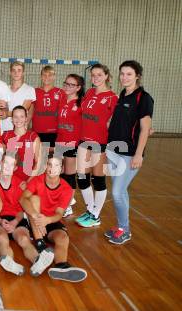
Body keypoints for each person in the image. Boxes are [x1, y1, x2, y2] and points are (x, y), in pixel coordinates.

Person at [105, 60, 153, 244]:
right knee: (121, 191)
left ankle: (125, 230)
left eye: (129, 74)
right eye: (122, 74)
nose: (124, 77)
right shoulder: (122, 96)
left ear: (137, 76)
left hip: (130, 153)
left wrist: (139, 154)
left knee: (117, 193)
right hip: (113, 150)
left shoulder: (144, 98)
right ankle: (120, 227)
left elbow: (145, 128)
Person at [20, 154, 87, 282]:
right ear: (45, 167)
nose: (52, 168)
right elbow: (22, 199)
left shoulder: (66, 188)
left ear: (61, 169)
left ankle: (61, 267)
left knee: (62, 237)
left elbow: (59, 214)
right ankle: (40, 245)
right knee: (33, 198)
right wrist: (36, 216)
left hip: (51, 220)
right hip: (34, 221)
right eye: (49, 164)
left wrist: (47, 220)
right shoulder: (37, 180)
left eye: (56, 165)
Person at [75, 64, 118, 228]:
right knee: (82, 177)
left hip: (100, 142)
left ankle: (95, 215)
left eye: (99, 75)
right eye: (93, 75)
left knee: (98, 179)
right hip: (83, 140)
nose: (95, 78)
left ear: (106, 76)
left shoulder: (112, 98)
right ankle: (91, 210)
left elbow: (118, 121)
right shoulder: (89, 93)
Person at [0, 152, 38, 276]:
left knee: (23, 239)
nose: (7, 166)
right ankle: (9, 262)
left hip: (16, 218)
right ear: (0, 163)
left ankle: (37, 261)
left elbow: (22, 210)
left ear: (15, 168)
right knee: (2, 238)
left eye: (11, 164)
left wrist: (15, 222)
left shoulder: (20, 184)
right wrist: (0, 220)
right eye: (5, 162)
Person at [55, 74, 85, 217]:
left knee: (69, 176)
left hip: (73, 144)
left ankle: (67, 205)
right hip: (60, 142)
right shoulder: (62, 99)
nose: (67, 86)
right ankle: (63, 201)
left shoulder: (81, 104)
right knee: (58, 173)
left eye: (71, 85)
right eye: (66, 83)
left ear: (78, 88)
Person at [30, 66, 66, 149]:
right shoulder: (34, 91)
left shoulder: (61, 92)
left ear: (54, 77)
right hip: (37, 130)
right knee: (37, 157)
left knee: (53, 159)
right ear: (41, 77)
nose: (47, 77)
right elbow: (30, 112)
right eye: (44, 75)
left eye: (50, 75)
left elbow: (64, 114)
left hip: (54, 131)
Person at [2, 106, 41, 182]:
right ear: (12, 119)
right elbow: (0, 160)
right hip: (9, 179)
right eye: (15, 117)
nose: (18, 120)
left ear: (26, 118)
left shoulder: (33, 137)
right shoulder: (5, 135)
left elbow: (38, 164)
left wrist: (28, 182)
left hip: (27, 179)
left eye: (22, 116)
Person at [1, 61, 36, 132]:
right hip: (3, 129)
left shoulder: (29, 89)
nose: (16, 73)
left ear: (23, 73)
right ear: (10, 73)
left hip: (19, 130)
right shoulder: (4, 88)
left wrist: (6, 114)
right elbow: (2, 107)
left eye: (19, 70)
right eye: (13, 70)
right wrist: (1, 112)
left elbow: (21, 111)